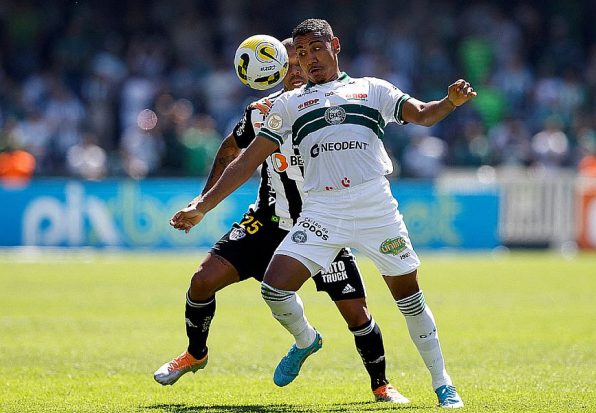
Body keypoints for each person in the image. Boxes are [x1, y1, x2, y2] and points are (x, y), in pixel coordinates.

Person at [171, 19, 476, 409]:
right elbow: (246, 161)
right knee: (274, 287)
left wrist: (449, 102)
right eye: (299, 53)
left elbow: (423, 114)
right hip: (322, 211)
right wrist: (202, 205)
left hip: (375, 207)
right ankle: (305, 340)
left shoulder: (372, 89)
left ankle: (443, 384)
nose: (308, 59)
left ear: (334, 44)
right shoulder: (287, 104)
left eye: (315, 49)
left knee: (408, 299)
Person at [155, 38, 409, 404]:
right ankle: (197, 353)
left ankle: (381, 385)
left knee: (356, 314)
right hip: (268, 221)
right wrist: (201, 201)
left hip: (323, 222)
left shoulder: (330, 105)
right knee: (201, 281)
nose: (294, 71)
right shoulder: (262, 112)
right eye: (287, 65)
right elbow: (231, 149)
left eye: (300, 64)